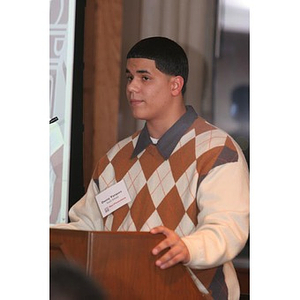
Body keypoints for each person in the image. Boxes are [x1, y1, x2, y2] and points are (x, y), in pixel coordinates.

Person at [53, 36, 249, 300]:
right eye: (129, 77)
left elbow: (227, 228)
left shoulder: (216, 149)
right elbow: (87, 227)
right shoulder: (115, 158)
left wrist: (187, 248)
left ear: (175, 85)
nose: (132, 87)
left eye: (144, 78)